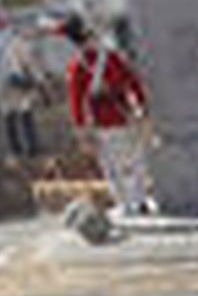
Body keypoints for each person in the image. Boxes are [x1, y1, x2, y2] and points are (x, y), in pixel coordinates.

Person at [63, 14, 159, 216]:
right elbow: (133, 81)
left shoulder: (77, 67)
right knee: (135, 159)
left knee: (112, 165)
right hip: (124, 114)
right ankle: (139, 199)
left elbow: (76, 100)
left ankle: (125, 202)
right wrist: (141, 106)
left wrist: (81, 128)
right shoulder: (112, 57)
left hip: (101, 121)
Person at [0, 1, 43, 163]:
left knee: (9, 117)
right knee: (25, 113)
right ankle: (32, 149)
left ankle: (16, 151)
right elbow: (26, 59)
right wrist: (37, 78)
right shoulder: (12, 37)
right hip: (16, 79)